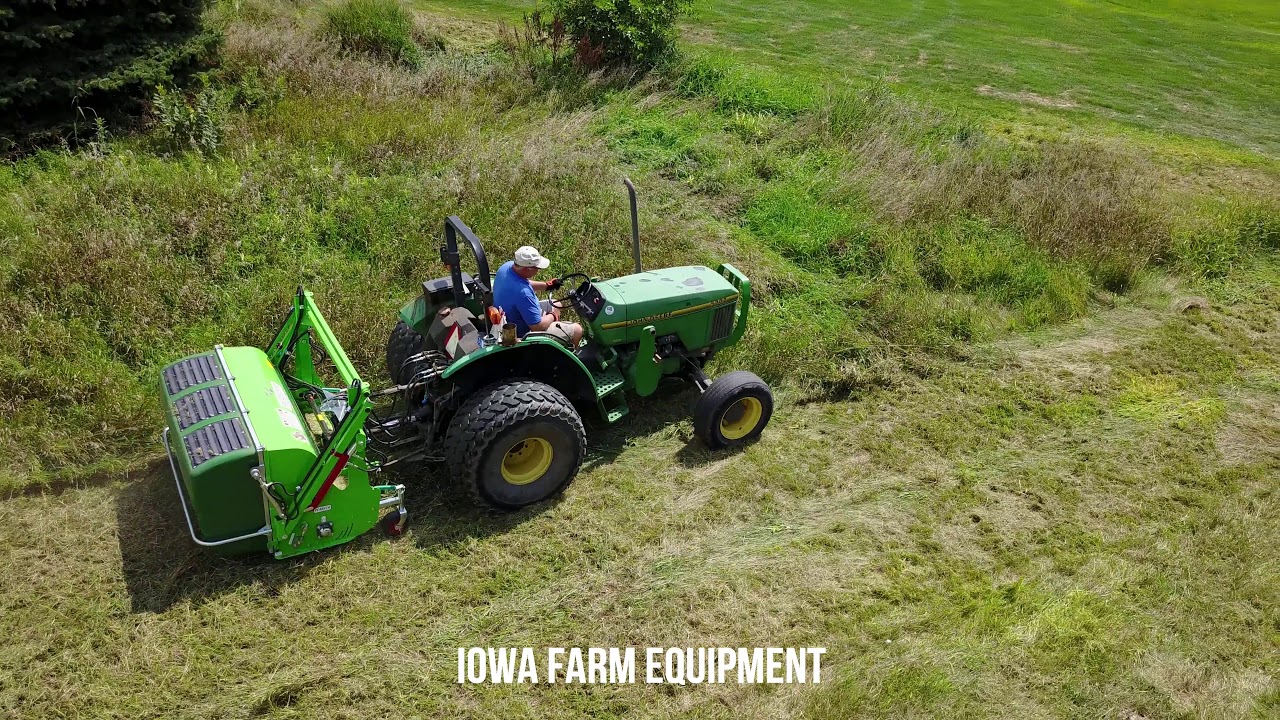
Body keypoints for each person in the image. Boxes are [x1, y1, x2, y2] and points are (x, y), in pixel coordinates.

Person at [492, 245, 584, 348]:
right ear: (527, 269)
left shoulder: (506, 268)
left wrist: (547, 286)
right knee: (577, 330)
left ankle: (555, 340)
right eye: (537, 267)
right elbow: (537, 327)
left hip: (515, 315)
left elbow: (524, 282)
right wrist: (553, 315)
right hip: (524, 332)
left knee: (556, 303)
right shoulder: (523, 294)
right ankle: (566, 355)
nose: (539, 270)